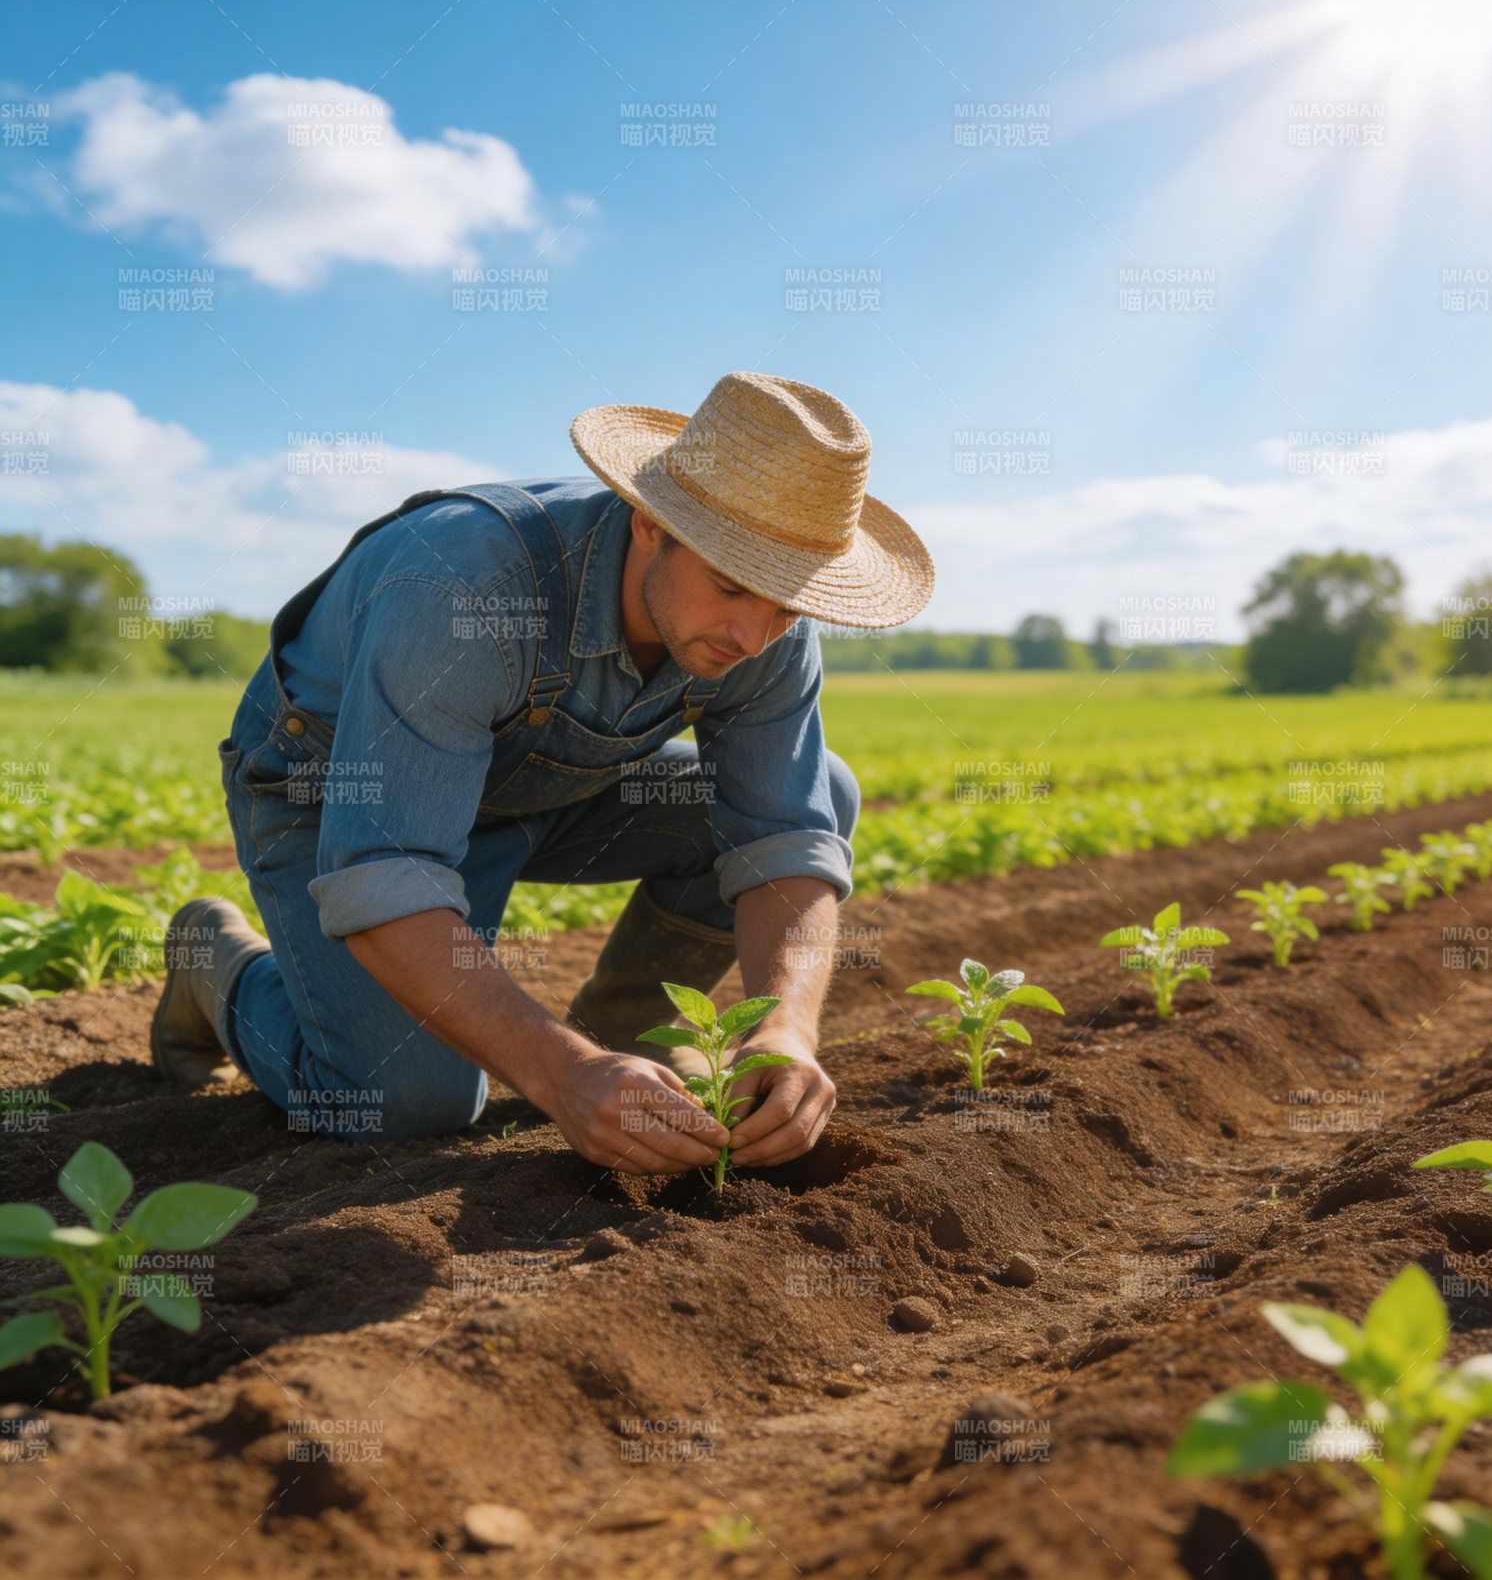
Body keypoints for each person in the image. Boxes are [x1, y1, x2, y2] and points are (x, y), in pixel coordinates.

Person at [148, 371, 935, 1177]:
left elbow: (786, 836)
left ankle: (622, 1034)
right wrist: (560, 1075)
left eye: (788, 606)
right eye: (730, 585)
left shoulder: (763, 634)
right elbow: (385, 871)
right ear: (650, 526)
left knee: (823, 790)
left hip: (552, 788)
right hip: (339, 795)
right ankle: (217, 963)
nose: (754, 636)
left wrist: (787, 1031)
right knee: (405, 1105)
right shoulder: (463, 589)